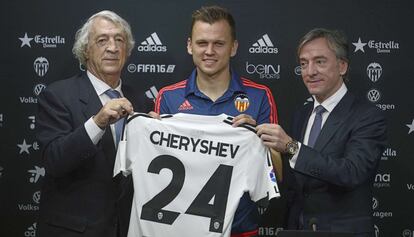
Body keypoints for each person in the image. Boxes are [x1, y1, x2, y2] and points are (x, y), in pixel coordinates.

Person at [154, 5, 279, 237]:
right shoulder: (168, 97)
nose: (209, 51)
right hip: (180, 228)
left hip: (240, 228)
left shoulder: (260, 96)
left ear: (233, 48)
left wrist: (257, 141)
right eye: (202, 43)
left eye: (219, 44)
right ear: (190, 45)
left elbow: (275, 175)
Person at [256, 28, 387, 236]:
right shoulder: (302, 114)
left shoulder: (368, 116)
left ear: (342, 66)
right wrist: (251, 136)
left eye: (320, 61)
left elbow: (351, 172)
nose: (310, 72)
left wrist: (291, 146)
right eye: (303, 63)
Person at [36, 10, 153, 237]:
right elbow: (54, 160)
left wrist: (158, 134)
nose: (112, 47)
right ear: (85, 50)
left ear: (127, 51)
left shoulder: (141, 101)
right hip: (74, 231)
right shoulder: (58, 95)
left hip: (126, 229)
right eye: (102, 40)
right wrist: (97, 123)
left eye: (119, 40)